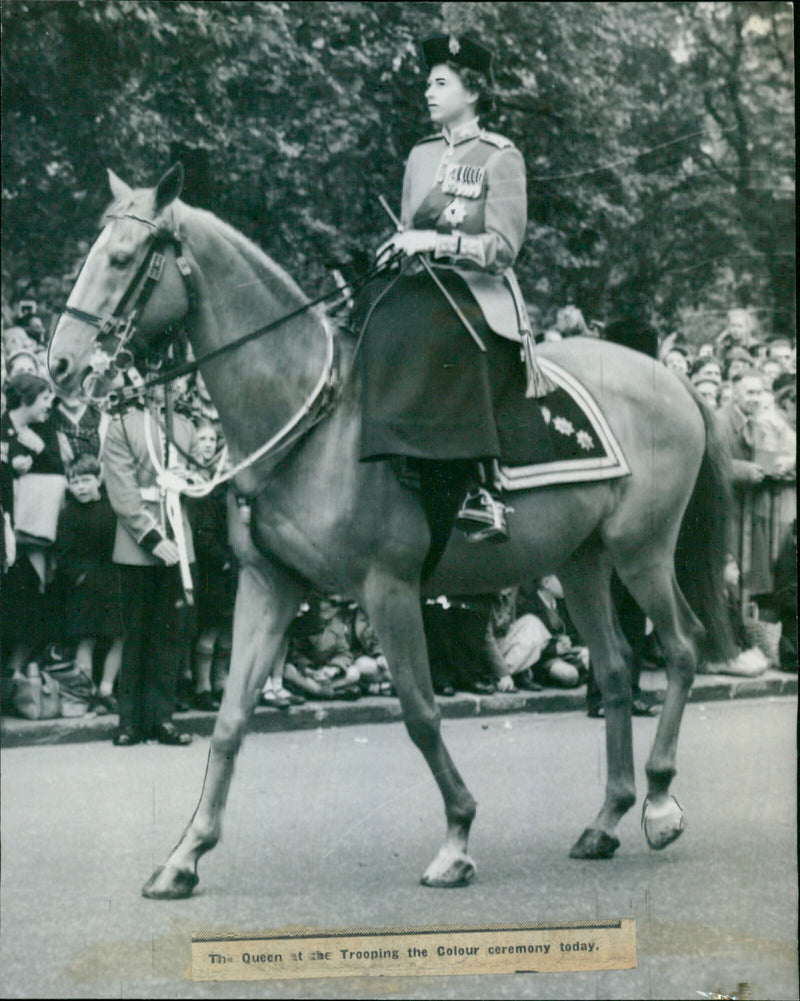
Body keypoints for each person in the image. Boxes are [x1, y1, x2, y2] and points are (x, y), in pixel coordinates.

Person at [359, 32, 536, 543]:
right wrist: (397, 248)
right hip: (423, 286)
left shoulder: (500, 157)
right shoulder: (420, 156)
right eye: (428, 84)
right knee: (372, 308)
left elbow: (503, 247)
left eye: (441, 83)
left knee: (437, 327)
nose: (428, 93)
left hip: (480, 292)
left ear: (473, 91)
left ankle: (480, 484)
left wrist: (432, 243)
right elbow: (409, 231)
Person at [102, 393, 198, 746]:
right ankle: (129, 721)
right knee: (135, 636)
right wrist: (151, 537)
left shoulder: (186, 426)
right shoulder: (122, 425)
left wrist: (186, 481)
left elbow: (201, 481)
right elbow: (122, 491)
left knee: (168, 638)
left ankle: (162, 719)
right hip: (137, 546)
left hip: (178, 541)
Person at [0, 374, 63, 678]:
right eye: (44, 398)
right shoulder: (2, 428)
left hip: (32, 536)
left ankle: (15, 670)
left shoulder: (43, 429)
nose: (49, 405)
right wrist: (9, 468)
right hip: (6, 529)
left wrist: (39, 449)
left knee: (30, 604)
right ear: (27, 399)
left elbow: (61, 468)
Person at [55, 454, 123, 713]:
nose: (81, 487)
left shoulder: (111, 508)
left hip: (112, 580)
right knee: (87, 638)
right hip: (84, 585)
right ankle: (86, 692)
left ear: (99, 480)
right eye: (75, 482)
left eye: (86, 480)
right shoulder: (69, 513)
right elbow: (63, 554)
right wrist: (79, 577)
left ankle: (106, 688)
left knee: (119, 635)